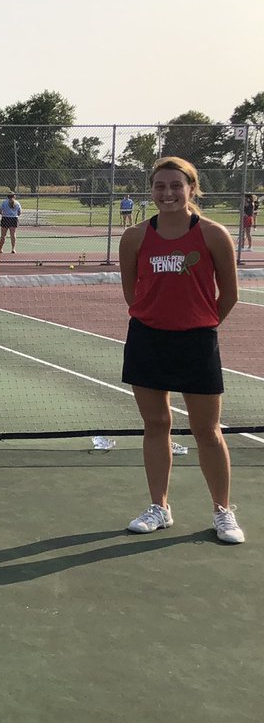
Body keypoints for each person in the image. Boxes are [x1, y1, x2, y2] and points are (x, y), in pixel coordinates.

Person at [119, 157, 244, 544]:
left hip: (197, 342)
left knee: (207, 431)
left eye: (176, 185)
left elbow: (230, 294)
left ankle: (222, 511)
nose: (168, 193)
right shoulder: (135, 237)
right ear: (151, 190)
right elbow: (131, 292)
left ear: (192, 188)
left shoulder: (213, 234)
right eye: (160, 186)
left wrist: (199, 324)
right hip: (147, 340)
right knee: (156, 425)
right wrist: (155, 319)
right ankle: (159, 507)